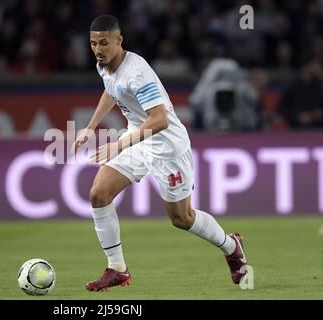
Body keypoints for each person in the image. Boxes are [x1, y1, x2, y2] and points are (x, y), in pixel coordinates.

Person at [71, 15, 248, 292]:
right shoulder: (103, 64)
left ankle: (231, 245)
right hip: (138, 140)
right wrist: (90, 127)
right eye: (93, 43)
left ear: (119, 40)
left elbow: (159, 119)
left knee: (182, 219)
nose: (98, 49)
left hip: (167, 146)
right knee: (99, 193)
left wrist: (119, 143)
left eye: (104, 42)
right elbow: (111, 91)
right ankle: (117, 268)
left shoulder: (137, 73)